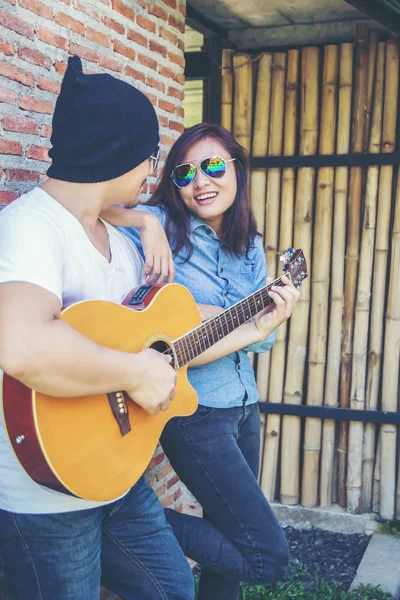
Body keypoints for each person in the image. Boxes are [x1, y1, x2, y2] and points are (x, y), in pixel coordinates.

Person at [0, 56, 194, 600]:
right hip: (47, 499)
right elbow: (23, 345)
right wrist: (136, 372)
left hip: (116, 477)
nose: (149, 175)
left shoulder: (122, 241)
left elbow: (139, 334)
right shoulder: (28, 229)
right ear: (120, 156)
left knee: (172, 590)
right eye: (149, 160)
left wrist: (251, 321)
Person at [102, 122, 299, 600]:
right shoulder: (160, 226)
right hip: (193, 412)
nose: (201, 181)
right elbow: (97, 206)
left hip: (244, 405)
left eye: (213, 166)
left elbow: (261, 342)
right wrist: (145, 223)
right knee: (264, 556)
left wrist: (258, 326)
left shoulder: (247, 244)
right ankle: (110, 526)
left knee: (229, 543)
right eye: (185, 173)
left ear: (236, 169)